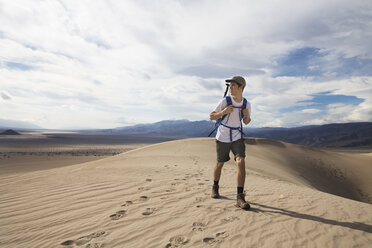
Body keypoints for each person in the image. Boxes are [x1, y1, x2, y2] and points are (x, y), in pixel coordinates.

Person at [209, 76, 251, 210]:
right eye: (230, 86)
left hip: (237, 136)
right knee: (220, 163)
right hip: (223, 136)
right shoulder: (225, 101)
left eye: (233, 85)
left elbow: (246, 122)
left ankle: (240, 196)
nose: (230, 88)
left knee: (241, 161)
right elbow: (211, 116)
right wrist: (224, 111)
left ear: (241, 88)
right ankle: (215, 187)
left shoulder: (246, 104)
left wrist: (247, 116)